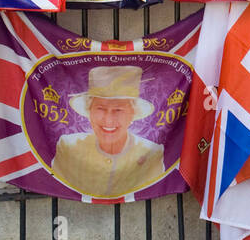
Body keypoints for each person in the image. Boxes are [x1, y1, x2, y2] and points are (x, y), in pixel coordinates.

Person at [52, 65, 165, 198]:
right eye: (100, 108)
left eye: (118, 110)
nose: (109, 120)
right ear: (90, 111)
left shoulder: (152, 153)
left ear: (132, 114)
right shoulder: (68, 146)